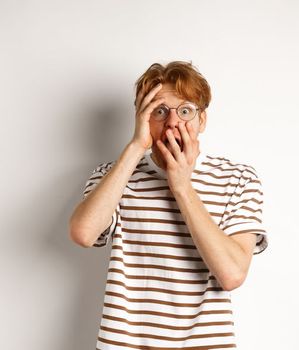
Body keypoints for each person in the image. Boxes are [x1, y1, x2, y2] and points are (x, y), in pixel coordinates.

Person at [68, 61, 268, 349]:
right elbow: (83, 234)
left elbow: (232, 274)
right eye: (159, 111)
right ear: (143, 118)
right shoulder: (112, 176)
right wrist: (137, 146)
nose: (174, 123)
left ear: (202, 120)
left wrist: (181, 185)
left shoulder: (237, 178)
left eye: (185, 111)